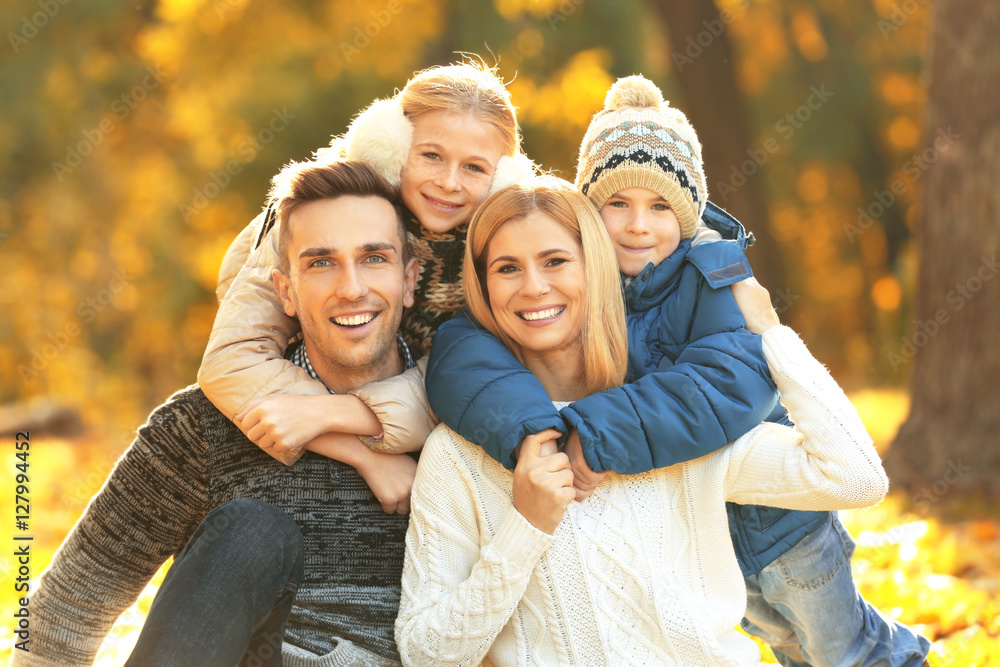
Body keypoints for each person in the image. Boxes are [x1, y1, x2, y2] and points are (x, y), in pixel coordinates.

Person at [423, 76, 931, 666]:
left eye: (661, 206)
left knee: (843, 649)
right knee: (789, 647)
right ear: (589, 216)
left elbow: (723, 383)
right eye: (617, 204)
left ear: (687, 214)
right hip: (701, 524)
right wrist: (536, 432)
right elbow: (463, 359)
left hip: (781, 520)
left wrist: (593, 435)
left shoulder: (710, 277)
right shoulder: (581, 285)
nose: (639, 225)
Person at [12, 160, 429, 667]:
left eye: (374, 258)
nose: (351, 287)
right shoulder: (205, 427)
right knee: (252, 531)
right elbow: (65, 612)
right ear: (286, 292)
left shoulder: (464, 428)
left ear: (409, 280)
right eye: (321, 263)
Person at [198, 61, 533, 475]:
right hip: (319, 363)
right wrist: (362, 455)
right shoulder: (322, 212)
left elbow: (472, 383)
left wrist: (337, 416)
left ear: (502, 179)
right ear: (392, 148)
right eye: (431, 155)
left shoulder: (501, 252)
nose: (449, 182)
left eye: (474, 168)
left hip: (397, 392)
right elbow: (231, 362)